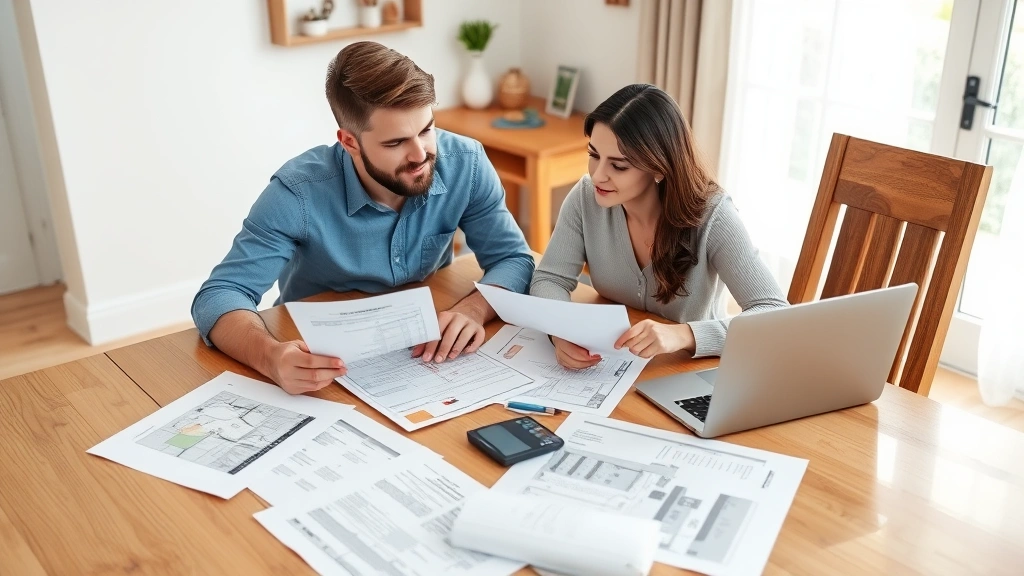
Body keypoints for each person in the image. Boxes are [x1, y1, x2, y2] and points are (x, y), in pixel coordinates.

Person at [192, 42, 534, 394]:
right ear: (349, 142)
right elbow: (220, 295)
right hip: (318, 361)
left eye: (426, 129)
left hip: (423, 353)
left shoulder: (466, 162)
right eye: (395, 143)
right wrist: (270, 357)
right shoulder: (297, 192)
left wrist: (475, 309)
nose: (421, 154)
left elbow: (515, 259)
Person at [531, 84, 787, 369]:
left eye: (619, 166)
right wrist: (560, 332)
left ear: (659, 168)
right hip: (614, 367)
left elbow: (775, 315)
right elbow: (549, 279)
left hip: (691, 369)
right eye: (594, 155)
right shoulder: (585, 198)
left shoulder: (713, 216)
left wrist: (685, 334)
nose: (598, 175)